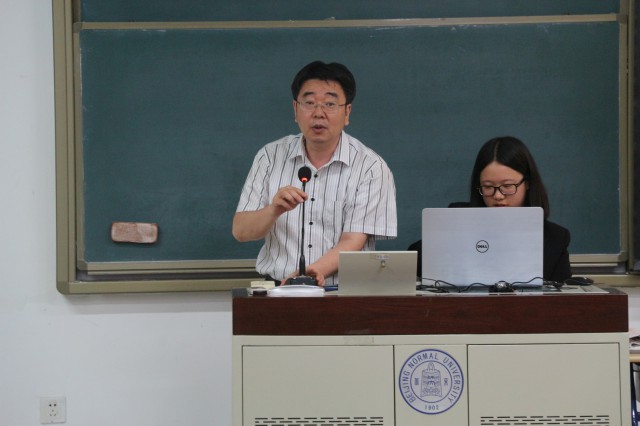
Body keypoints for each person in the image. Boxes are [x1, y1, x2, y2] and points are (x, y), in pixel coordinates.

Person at [232, 61, 397, 287]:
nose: (319, 113)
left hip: (341, 293)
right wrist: (273, 210)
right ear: (295, 109)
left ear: (347, 112)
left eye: (330, 104)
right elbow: (241, 231)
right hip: (278, 291)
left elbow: (353, 240)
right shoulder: (269, 156)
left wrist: (310, 274)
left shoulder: (370, 167)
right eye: (309, 103)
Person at [409, 136, 571, 283]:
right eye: (488, 187)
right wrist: (445, 234)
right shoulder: (457, 221)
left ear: (527, 183)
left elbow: (564, 296)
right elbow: (414, 260)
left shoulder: (555, 238)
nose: (498, 195)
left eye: (507, 186)